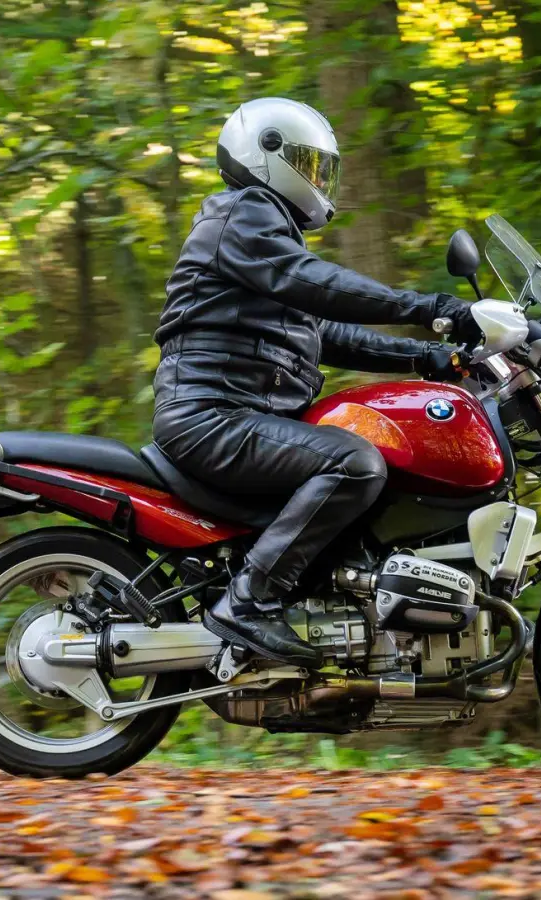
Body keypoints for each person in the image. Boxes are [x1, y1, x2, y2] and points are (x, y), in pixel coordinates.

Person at [151, 97, 479, 668]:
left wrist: (434, 358)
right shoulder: (242, 214)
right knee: (354, 463)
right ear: (268, 153)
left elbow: (325, 331)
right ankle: (248, 603)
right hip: (212, 415)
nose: (318, 180)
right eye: (308, 164)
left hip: (239, 414)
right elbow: (314, 285)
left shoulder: (263, 237)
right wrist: (434, 307)